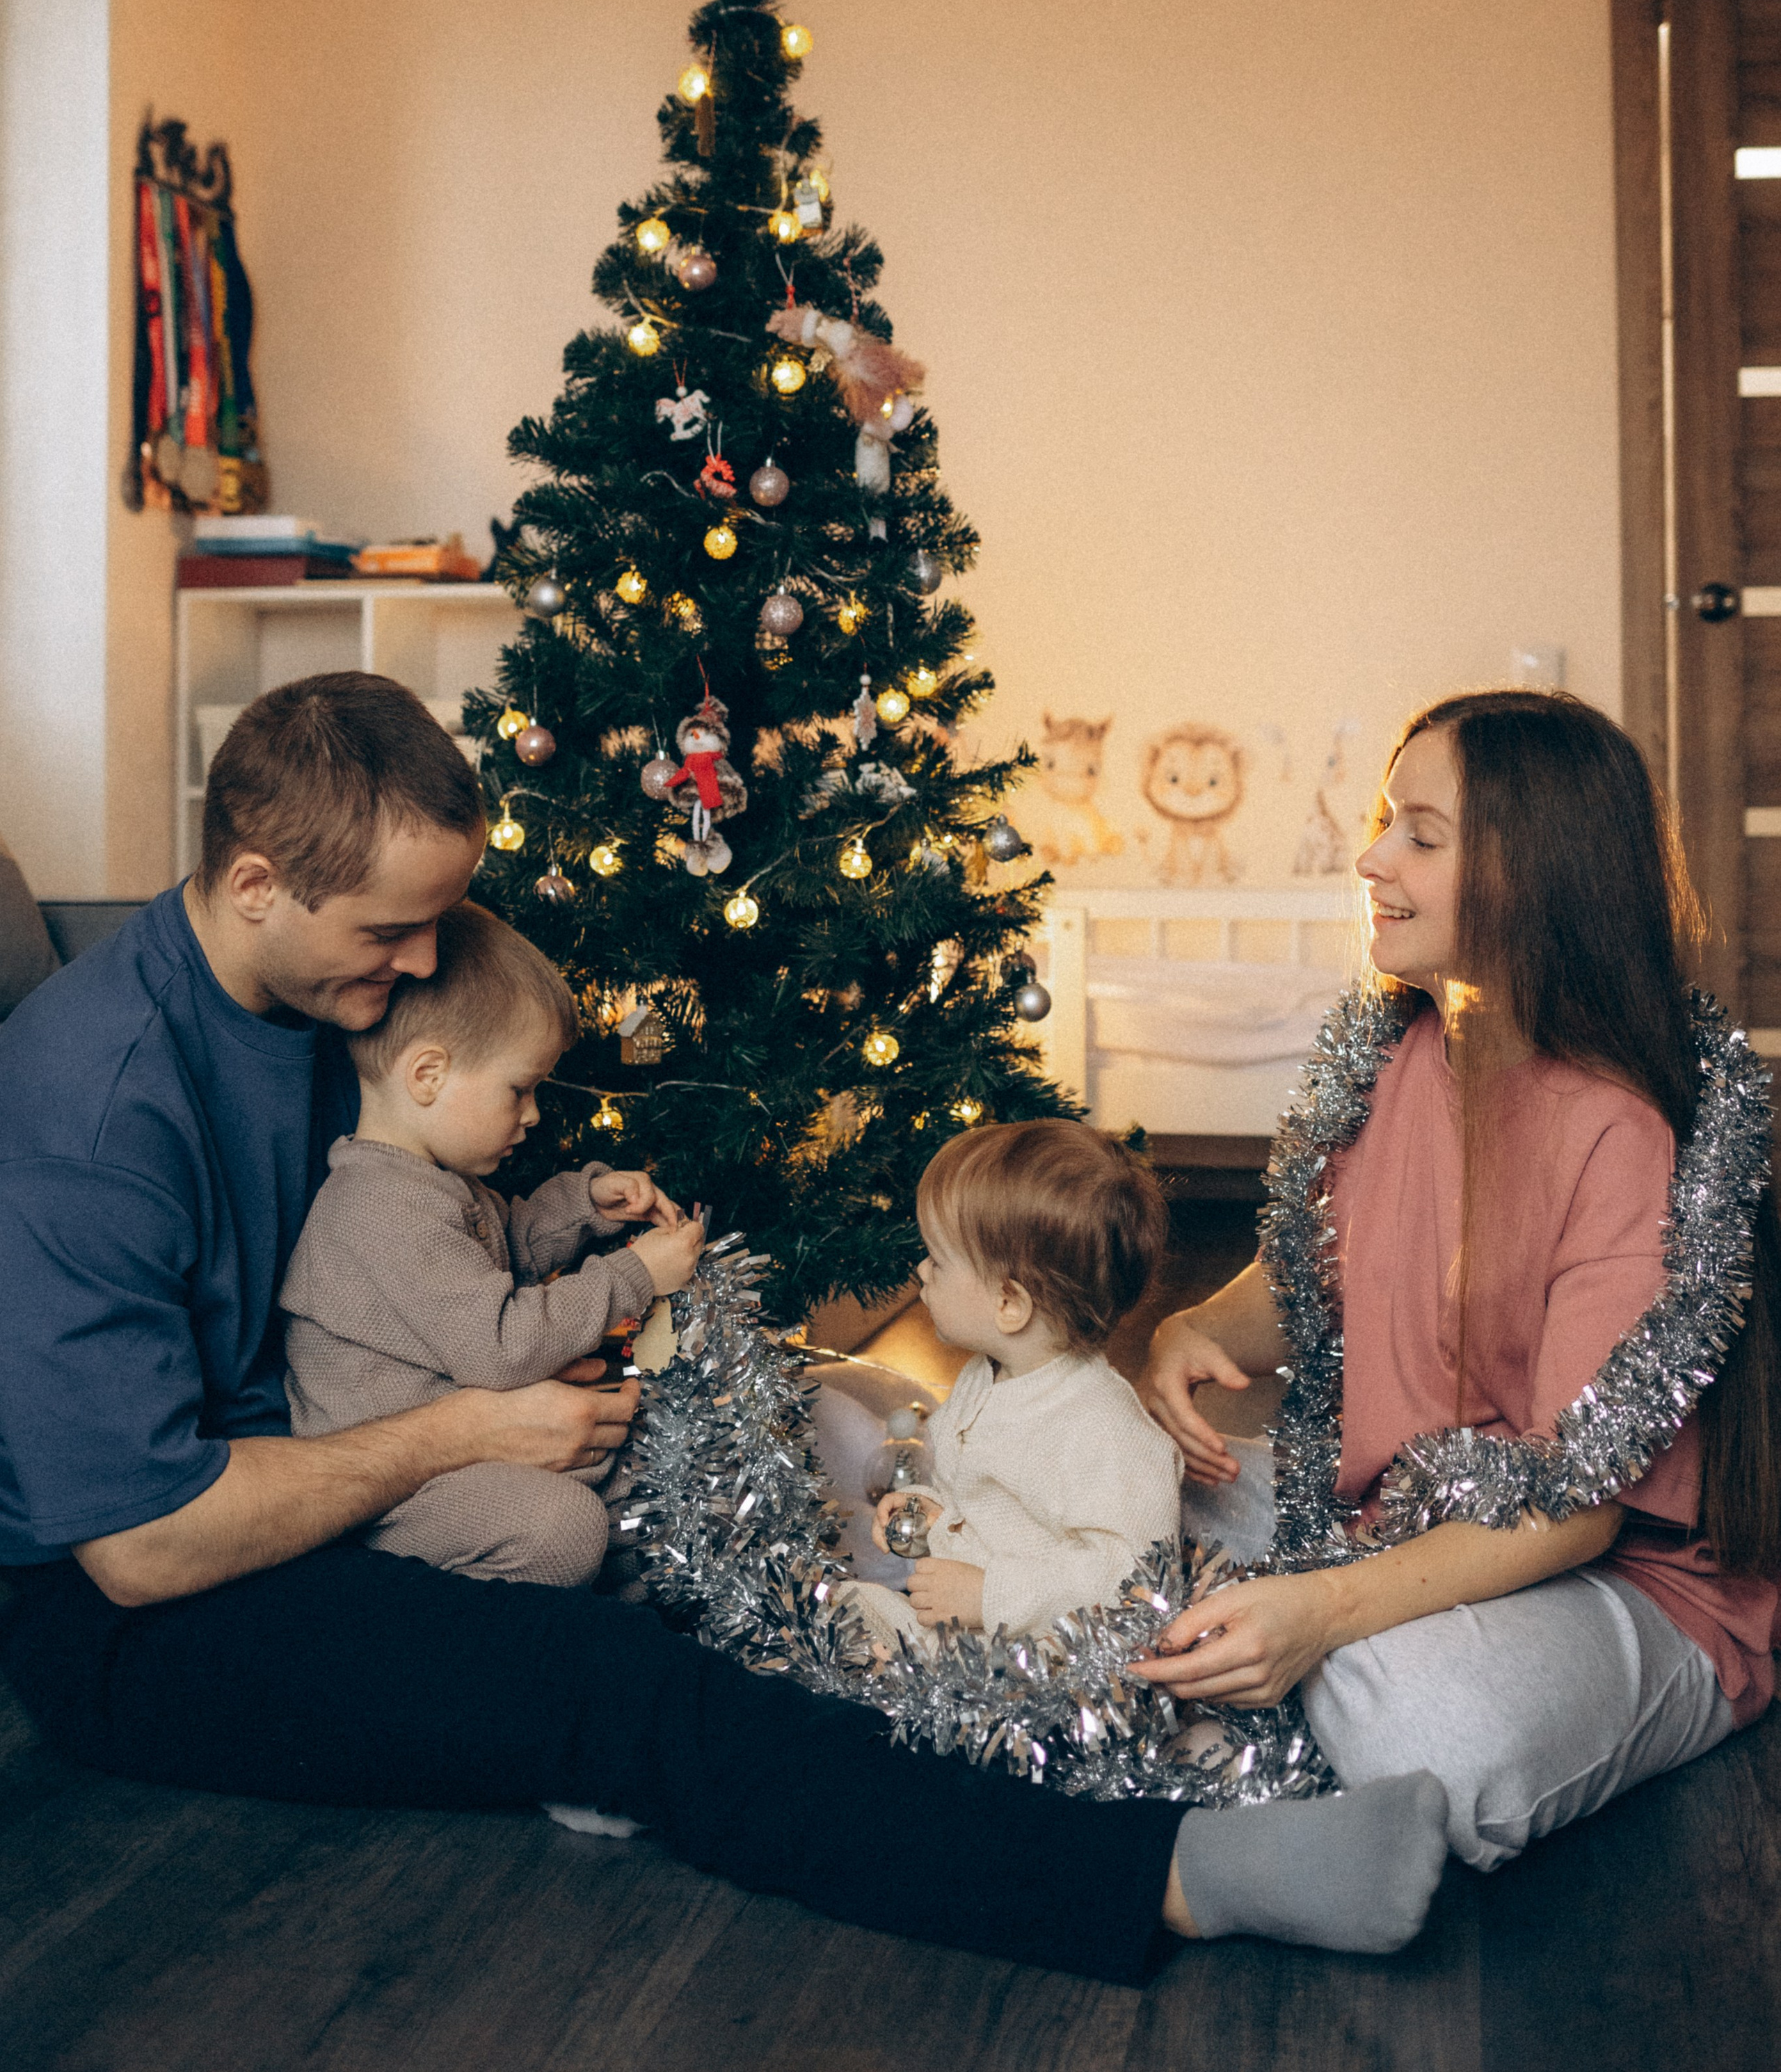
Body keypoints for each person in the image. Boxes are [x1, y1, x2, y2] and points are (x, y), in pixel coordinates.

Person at [9, 670, 1466, 1979]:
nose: (415, 968)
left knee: (755, 1543)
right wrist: (469, 1425)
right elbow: (142, 1545)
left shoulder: (333, 1010)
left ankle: (1082, 1749)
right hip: (144, 1613)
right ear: (257, 883)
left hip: (351, 1480)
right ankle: (1169, 1876)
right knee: (618, 1684)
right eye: (389, 935)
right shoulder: (98, 1112)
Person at [1137, 690, 1781, 1952]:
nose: (1370, 858)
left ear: (1534, 873)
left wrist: (1322, 1612)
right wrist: (1184, 1331)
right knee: (1101, 1471)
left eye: (1419, 834)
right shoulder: (1392, 1060)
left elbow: (1586, 1500)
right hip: (1386, 1515)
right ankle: (1240, 1651)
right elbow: (1306, 1273)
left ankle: (1224, 1671)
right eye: (1386, 823)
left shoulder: (1620, 1124)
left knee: (1426, 1731)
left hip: (1619, 1578)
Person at [280, 900, 706, 1589]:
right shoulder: (381, 1206)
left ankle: (647, 1632)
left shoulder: (432, 1181)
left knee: (639, 1472)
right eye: (519, 1089)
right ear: (428, 1076)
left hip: (462, 1456)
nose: (533, 1114)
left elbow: (507, 1237)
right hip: (393, 1498)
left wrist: (585, 1201)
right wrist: (635, 1274)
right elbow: (502, 1346)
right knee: (559, 1526)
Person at [852, 1121, 1181, 1652]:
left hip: (1045, 1664)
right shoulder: (987, 1374)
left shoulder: (1103, 1428)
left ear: (1010, 1304)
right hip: (971, 1634)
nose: (920, 1270)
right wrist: (931, 1512)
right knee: (843, 1607)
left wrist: (989, 1594)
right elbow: (983, 1505)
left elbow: (1135, 1581)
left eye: (938, 1259)